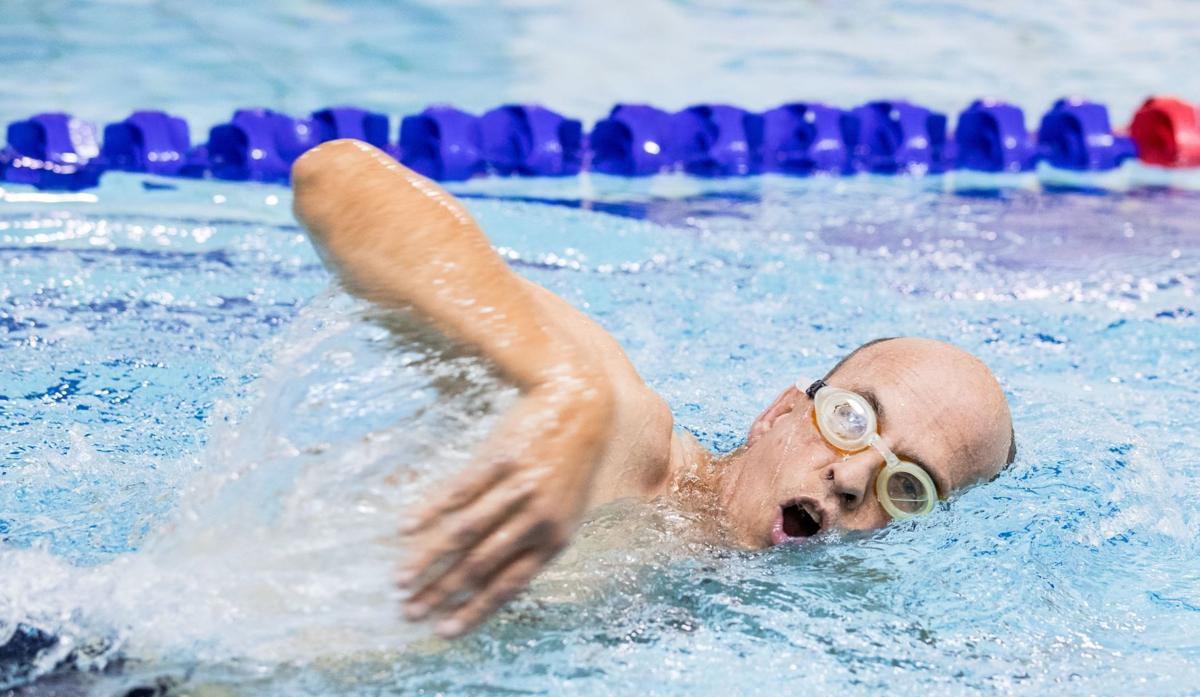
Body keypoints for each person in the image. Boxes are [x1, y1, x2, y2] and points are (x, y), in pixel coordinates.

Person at [291, 140, 1015, 639]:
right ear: (780, 412)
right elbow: (336, 179)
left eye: (909, 487)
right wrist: (567, 393)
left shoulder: (775, 612)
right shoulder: (623, 438)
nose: (856, 479)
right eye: (850, 419)